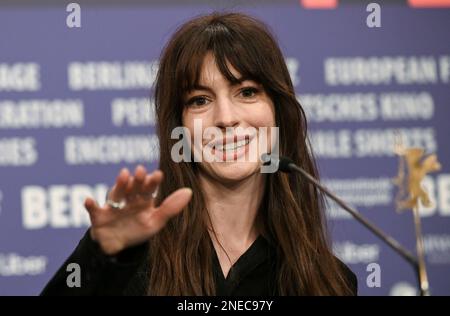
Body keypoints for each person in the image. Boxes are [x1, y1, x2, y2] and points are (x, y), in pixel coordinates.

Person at [41, 12, 357, 296]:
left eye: (247, 92)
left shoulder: (329, 281)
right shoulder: (131, 261)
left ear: (279, 112)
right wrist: (100, 256)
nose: (226, 118)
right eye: (199, 100)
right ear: (178, 128)